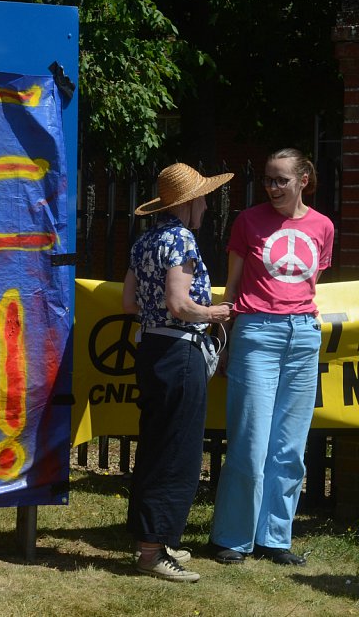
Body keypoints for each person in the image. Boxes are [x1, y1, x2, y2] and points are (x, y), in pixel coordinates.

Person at [209, 148, 334, 566]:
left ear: (304, 180)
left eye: (281, 179)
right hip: (256, 332)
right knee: (249, 440)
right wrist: (225, 340)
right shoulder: (248, 221)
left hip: (303, 335)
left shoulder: (323, 226)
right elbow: (232, 283)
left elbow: (310, 283)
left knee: (290, 447)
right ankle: (233, 537)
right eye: (268, 179)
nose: (273, 187)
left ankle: (275, 538)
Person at [122, 162, 234, 583]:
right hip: (179, 351)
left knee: (156, 444)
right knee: (177, 452)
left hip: (150, 349)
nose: (207, 206)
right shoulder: (181, 238)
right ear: (188, 204)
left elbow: (129, 303)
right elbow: (179, 303)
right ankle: (152, 553)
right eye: (203, 198)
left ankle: (156, 540)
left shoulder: (145, 239)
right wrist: (215, 312)